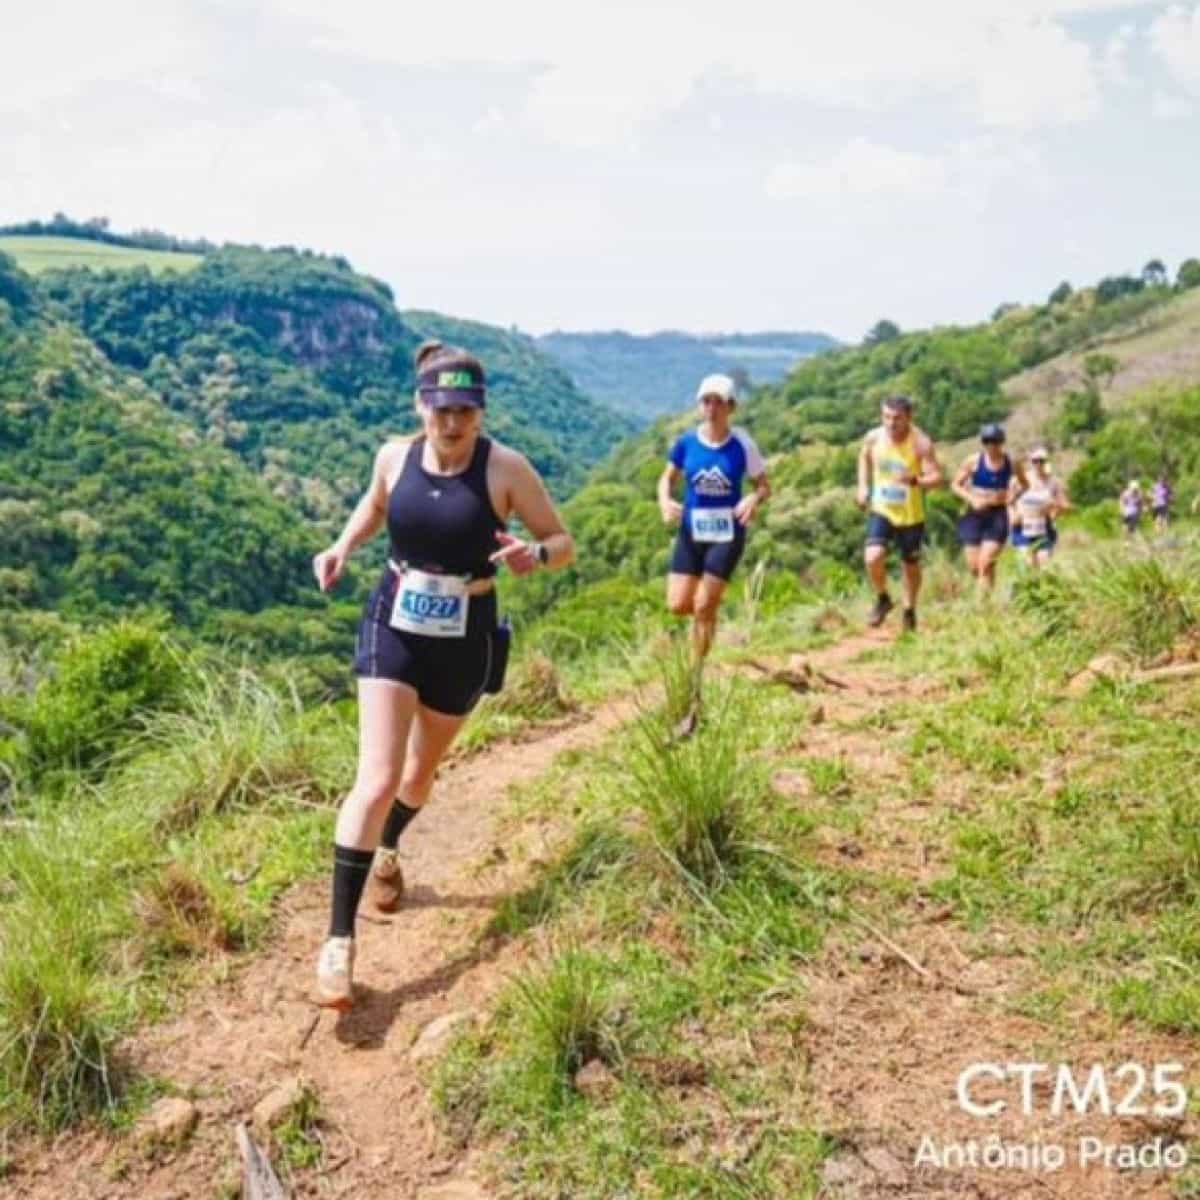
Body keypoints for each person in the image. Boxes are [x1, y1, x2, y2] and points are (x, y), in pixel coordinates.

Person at [310, 346, 575, 1009]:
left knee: (419, 774)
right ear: (419, 405)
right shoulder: (392, 457)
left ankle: (391, 849)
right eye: (440, 409)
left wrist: (534, 554)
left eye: (465, 411)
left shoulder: (506, 469)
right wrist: (342, 547)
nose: (452, 423)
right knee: (374, 776)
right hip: (392, 618)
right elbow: (374, 507)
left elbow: (561, 540)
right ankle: (338, 943)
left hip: (465, 634)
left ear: (480, 412)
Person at [658, 373, 769, 733]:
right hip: (691, 532)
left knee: (704, 606)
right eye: (706, 401)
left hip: (727, 533)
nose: (711, 408)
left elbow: (763, 484)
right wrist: (664, 501)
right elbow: (668, 477)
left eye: (719, 402)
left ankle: (695, 683)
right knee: (678, 605)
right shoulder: (686, 442)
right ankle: (702, 628)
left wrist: (753, 497)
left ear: (731, 407)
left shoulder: (743, 446)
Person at [856, 394, 942, 633]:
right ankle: (883, 598)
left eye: (897, 418)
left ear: (909, 417)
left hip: (910, 514)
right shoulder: (873, 438)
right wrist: (863, 486)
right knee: (872, 556)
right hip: (881, 508)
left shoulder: (921, 443)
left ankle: (909, 609)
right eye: (886, 417)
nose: (891, 423)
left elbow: (936, 479)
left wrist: (915, 480)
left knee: (910, 565)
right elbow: (863, 458)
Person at [951, 423, 1026, 596]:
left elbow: (1025, 484)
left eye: (995, 441)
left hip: (997, 516)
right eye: (987, 441)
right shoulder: (973, 461)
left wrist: (1013, 498)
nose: (991, 445)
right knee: (975, 566)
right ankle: (988, 593)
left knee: (985, 563)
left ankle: (983, 606)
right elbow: (955, 484)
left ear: (1002, 442)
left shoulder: (1012, 463)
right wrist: (972, 499)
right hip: (974, 515)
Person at [1011, 447, 1069, 568]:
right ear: (1030, 462)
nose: (1038, 464)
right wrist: (1013, 515)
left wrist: (1054, 509)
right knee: (1028, 564)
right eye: (1035, 461)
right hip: (1022, 526)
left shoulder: (1054, 482)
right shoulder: (1019, 480)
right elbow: (1008, 500)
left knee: (1044, 563)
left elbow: (1065, 505)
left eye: (1041, 461)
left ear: (1046, 462)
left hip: (1043, 526)